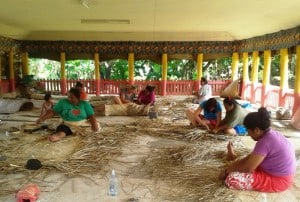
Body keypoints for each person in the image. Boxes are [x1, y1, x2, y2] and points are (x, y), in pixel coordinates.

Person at [219, 107, 296, 192]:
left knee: (231, 179)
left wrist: (227, 171)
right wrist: (231, 167)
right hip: (279, 174)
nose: (248, 134)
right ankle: (233, 158)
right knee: (246, 159)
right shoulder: (270, 134)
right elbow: (250, 158)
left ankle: (233, 159)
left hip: (278, 180)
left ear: (257, 130)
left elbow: (248, 168)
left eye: (248, 131)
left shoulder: (265, 142)